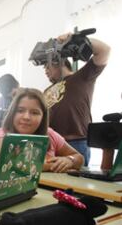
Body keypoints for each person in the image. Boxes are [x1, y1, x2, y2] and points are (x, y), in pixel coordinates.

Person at [43, 33, 110, 165]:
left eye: (47, 66)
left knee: (75, 184)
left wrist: (75, 39)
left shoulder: (81, 77)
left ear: (59, 63)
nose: (45, 71)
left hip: (76, 142)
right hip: (52, 143)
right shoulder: (47, 90)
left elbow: (104, 50)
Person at [0, 88, 84, 173]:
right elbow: (19, 165)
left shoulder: (50, 134)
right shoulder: (0, 135)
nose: (26, 117)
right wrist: (56, 164)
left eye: (35, 113)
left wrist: (70, 160)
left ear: (43, 117)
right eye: (20, 110)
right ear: (12, 113)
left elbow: (79, 157)